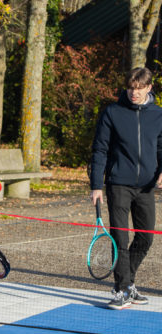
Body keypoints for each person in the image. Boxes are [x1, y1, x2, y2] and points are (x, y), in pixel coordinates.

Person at [90, 67, 162, 310]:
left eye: (140, 88)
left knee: (146, 238)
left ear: (149, 88)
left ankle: (128, 282)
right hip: (118, 184)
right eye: (131, 87)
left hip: (146, 187)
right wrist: (96, 185)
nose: (134, 92)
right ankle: (121, 289)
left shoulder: (158, 115)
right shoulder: (112, 112)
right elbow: (99, 149)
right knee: (120, 237)